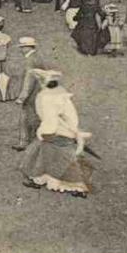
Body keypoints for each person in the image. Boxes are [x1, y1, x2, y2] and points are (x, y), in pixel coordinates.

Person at [19, 70, 96, 198]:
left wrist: (42, 132)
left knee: (40, 154)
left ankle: (76, 186)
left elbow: (50, 120)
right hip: (67, 131)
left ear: (43, 83)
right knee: (48, 154)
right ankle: (43, 178)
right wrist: (74, 131)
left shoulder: (44, 97)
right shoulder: (62, 93)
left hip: (54, 132)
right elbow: (71, 116)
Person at [12, 37, 46, 151]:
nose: (21, 50)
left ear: (28, 47)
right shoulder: (37, 57)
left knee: (25, 118)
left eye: (22, 47)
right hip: (39, 92)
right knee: (36, 117)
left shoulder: (30, 60)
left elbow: (28, 81)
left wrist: (22, 97)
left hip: (32, 95)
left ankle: (25, 142)